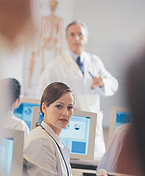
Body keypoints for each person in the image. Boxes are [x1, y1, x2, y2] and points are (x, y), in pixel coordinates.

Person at [37, 20, 118, 159]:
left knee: (95, 165)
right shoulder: (55, 66)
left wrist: (103, 83)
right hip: (68, 123)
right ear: (66, 38)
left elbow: (113, 84)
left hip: (94, 127)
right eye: (72, 34)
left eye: (80, 34)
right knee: (69, 162)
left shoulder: (95, 62)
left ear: (86, 38)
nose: (76, 38)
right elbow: (41, 94)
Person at [23, 82, 112, 176]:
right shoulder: (41, 142)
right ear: (44, 108)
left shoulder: (50, 138)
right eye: (59, 106)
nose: (66, 113)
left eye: (70, 107)